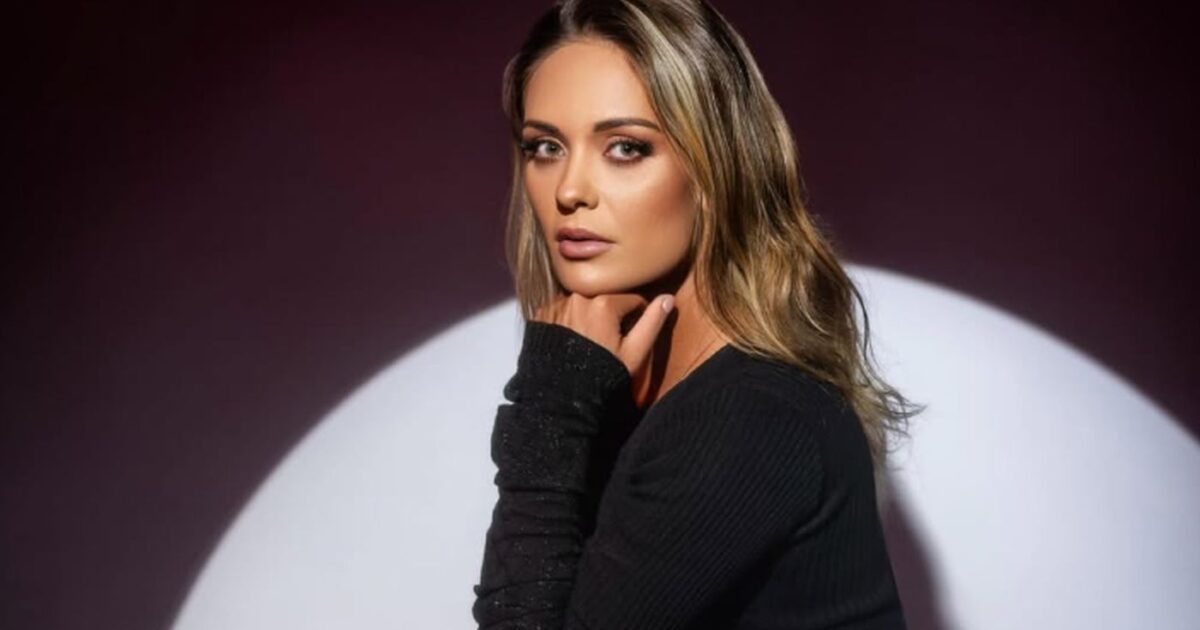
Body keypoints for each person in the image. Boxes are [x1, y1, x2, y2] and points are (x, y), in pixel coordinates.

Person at [472, 1, 922, 628]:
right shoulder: (658, 397)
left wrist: (551, 405)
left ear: (716, 168)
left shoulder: (749, 414)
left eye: (625, 148)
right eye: (545, 147)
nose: (569, 190)